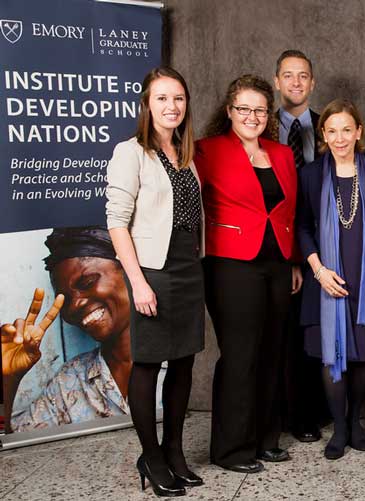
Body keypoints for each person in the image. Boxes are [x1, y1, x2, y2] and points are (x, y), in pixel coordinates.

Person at [195, 74, 302, 474]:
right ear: (229, 111)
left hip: (277, 264)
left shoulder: (281, 154)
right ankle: (231, 449)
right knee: (241, 356)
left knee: (273, 353)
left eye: (260, 110)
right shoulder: (207, 150)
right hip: (229, 264)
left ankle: (265, 439)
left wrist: (292, 260)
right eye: (244, 109)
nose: (252, 116)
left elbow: (288, 212)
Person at [106, 66, 205, 497]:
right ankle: (150, 454)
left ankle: (174, 451)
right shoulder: (131, 152)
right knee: (148, 363)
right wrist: (138, 282)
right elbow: (116, 223)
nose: (172, 106)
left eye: (178, 98)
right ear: (147, 104)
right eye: (162, 98)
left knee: (184, 360)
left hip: (187, 265)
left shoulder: (186, 152)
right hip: (152, 269)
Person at [296, 99, 365, 460]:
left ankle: (355, 422)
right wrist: (318, 270)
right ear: (323, 135)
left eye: (346, 129)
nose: (339, 137)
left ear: (359, 132)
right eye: (331, 130)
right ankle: (338, 426)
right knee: (330, 355)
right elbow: (302, 226)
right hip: (325, 279)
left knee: (362, 354)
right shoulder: (311, 174)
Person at [1, 227, 133, 432]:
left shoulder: (184, 360)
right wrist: (7, 380)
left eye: (88, 282)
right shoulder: (71, 380)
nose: (74, 305)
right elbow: (14, 444)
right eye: (65, 300)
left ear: (129, 271)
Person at [274, 49, 325, 443]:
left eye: (302, 76)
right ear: (277, 82)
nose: (295, 82)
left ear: (312, 82)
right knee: (283, 331)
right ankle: (285, 412)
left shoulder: (332, 127)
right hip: (276, 247)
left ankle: (311, 412)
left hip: (323, 244)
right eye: (288, 76)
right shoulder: (257, 126)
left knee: (314, 330)